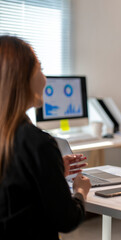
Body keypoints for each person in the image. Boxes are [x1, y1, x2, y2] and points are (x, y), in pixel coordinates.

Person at [0, 35, 91, 239]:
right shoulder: (38, 143)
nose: (45, 78)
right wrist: (81, 191)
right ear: (23, 78)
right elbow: (67, 219)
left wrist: (52, 169)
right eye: (39, 69)